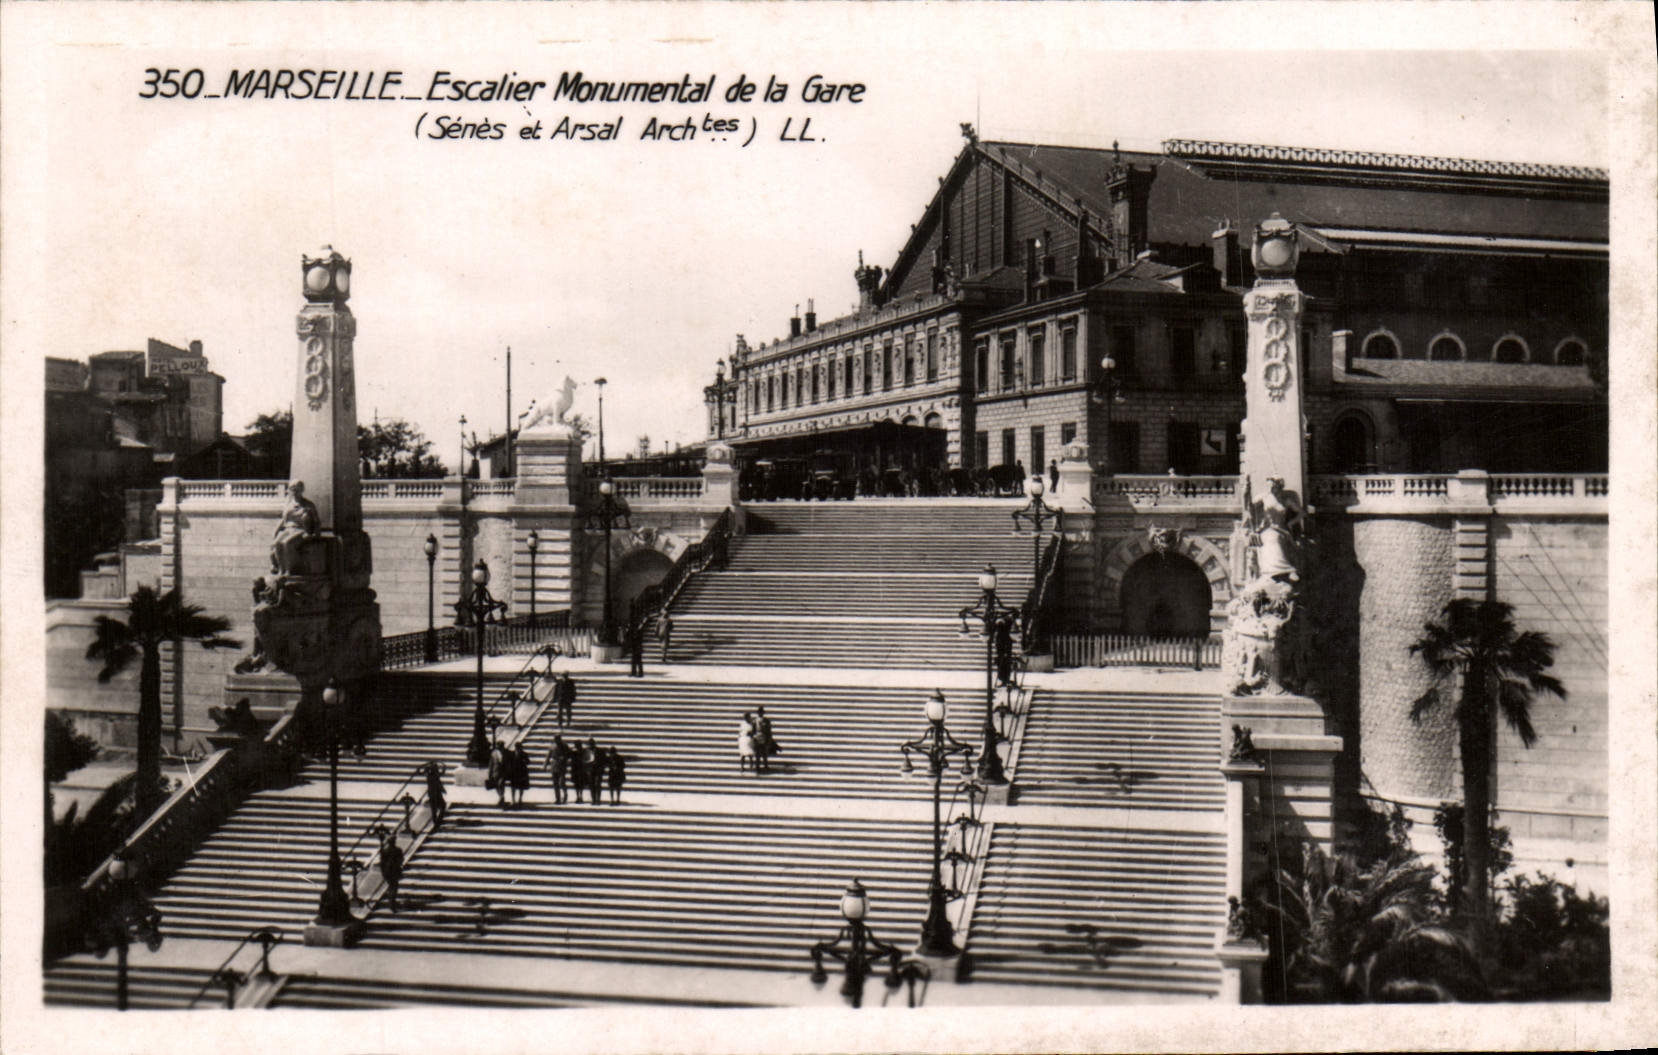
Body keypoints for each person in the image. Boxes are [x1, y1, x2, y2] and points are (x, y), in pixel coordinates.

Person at [377, 827, 404, 913]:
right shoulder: (398, 850)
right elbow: (401, 860)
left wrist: (383, 872)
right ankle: (392, 904)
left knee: (391, 886)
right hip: (395, 871)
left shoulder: (384, 851)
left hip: (387, 871)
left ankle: (391, 903)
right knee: (394, 886)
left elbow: (381, 862)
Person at [754, 706, 781, 774]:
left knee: (764, 752)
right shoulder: (755, 721)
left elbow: (769, 730)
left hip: (764, 737)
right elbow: (753, 730)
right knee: (758, 753)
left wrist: (769, 738)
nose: (760, 714)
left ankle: (765, 766)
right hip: (757, 737)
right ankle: (758, 767)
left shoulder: (766, 720)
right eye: (759, 713)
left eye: (761, 713)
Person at [545, 734, 570, 805]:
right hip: (554, 766)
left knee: (561, 782)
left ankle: (565, 794)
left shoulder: (565, 746)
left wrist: (564, 758)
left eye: (557, 739)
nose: (556, 740)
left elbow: (569, 754)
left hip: (562, 766)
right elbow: (548, 755)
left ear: (560, 739)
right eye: (555, 739)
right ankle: (558, 799)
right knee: (555, 783)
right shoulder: (552, 746)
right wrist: (545, 765)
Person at [424, 761, 447, 826]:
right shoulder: (434, 776)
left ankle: (436, 820)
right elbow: (440, 776)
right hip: (436, 794)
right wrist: (444, 767)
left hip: (432, 793)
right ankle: (437, 821)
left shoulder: (429, 775)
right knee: (441, 806)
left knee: (435, 808)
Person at [509, 742, 532, 808]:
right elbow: (509, 762)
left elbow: (528, 762)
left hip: (522, 772)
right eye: (517, 747)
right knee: (513, 786)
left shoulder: (524, 754)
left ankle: (520, 798)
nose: (518, 749)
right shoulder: (512, 754)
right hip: (514, 772)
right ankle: (513, 799)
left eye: (519, 747)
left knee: (521, 786)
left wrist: (524, 761)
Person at [994, 617, 1015, 688]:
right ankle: (1004, 680)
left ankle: (1006, 680)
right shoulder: (1000, 635)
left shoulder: (1005, 634)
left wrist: (1005, 652)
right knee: (1001, 668)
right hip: (1001, 654)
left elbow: (1008, 644)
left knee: (1005, 667)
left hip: (1005, 654)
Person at [487, 741, 508, 809]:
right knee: (496, 786)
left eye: (502, 745)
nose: (501, 747)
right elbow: (491, 763)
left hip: (503, 772)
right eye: (499, 746)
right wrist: (489, 773)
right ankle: (501, 798)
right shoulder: (494, 753)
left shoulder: (506, 753)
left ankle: (501, 797)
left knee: (501, 784)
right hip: (495, 772)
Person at [584, 738, 604, 804]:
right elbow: (584, 760)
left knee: (597, 784)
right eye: (589, 744)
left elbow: (603, 760)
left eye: (592, 744)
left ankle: (598, 799)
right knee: (591, 785)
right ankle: (593, 799)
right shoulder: (586, 751)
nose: (590, 745)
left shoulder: (599, 751)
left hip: (598, 770)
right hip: (590, 770)